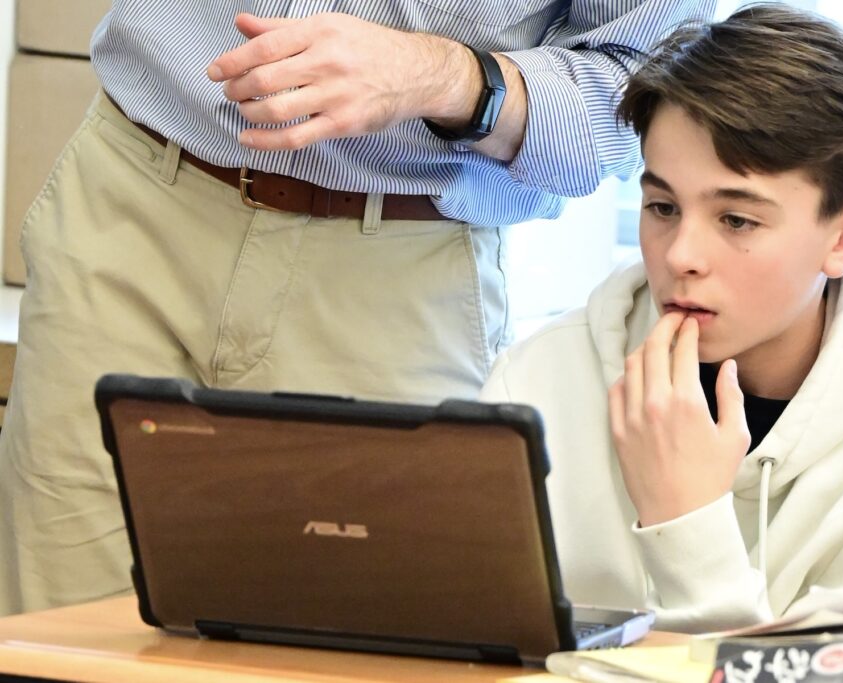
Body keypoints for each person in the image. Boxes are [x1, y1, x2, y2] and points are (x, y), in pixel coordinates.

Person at [0, 1, 716, 616]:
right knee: (63, 633)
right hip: (136, 198)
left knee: (359, 638)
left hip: (395, 274)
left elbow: (636, 94)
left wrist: (440, 76)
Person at [480, 3, 843, 633]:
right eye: (663, 207)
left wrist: (685, 521)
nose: (681, 256)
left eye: (736, 220)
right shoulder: (535, 384)